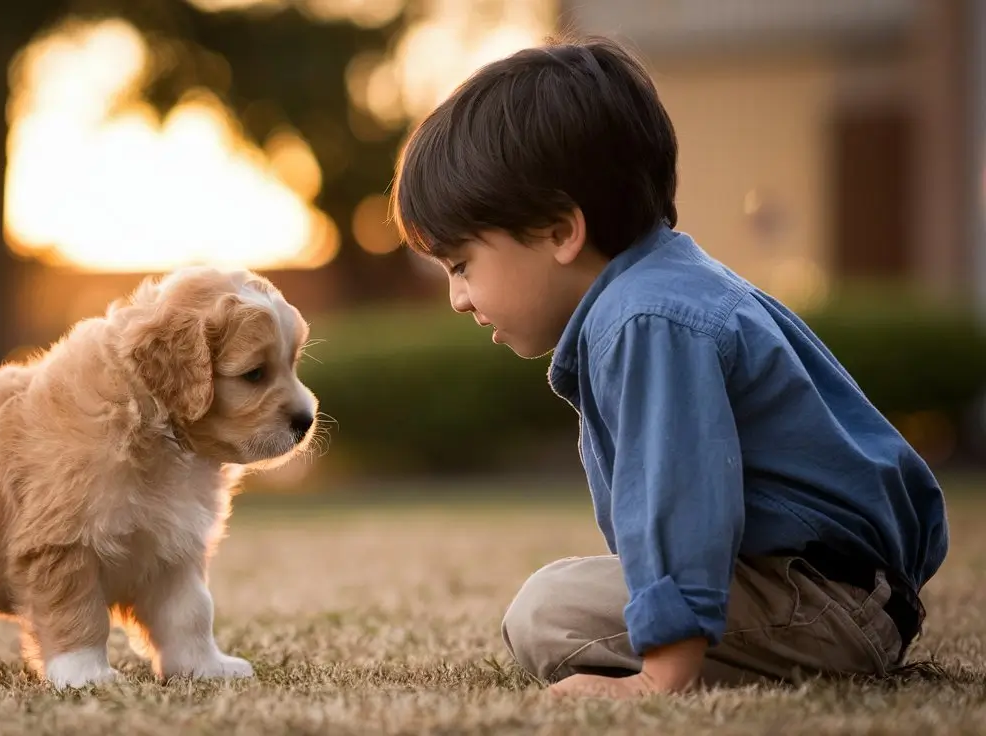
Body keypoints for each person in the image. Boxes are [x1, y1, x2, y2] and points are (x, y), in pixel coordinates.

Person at [387, 34, 949, 698]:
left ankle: (713, 659)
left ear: (560, 231)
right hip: (845, 593)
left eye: (461, 265)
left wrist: (660, 679)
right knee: (571, 595)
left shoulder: (643, 319)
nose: (457, 299)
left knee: (549, 612)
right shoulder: (666, 287)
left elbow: (682, 500)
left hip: (823, 606)